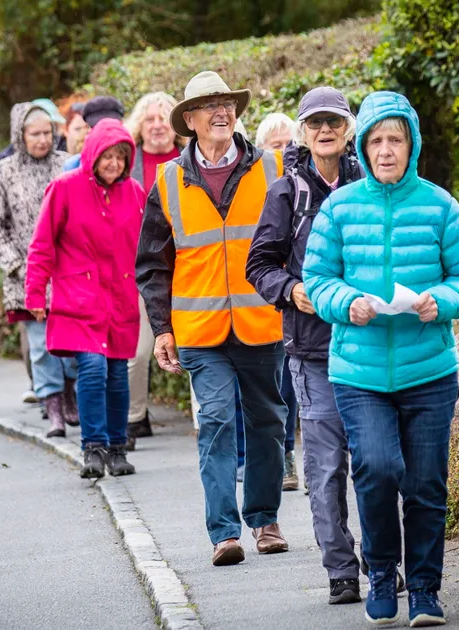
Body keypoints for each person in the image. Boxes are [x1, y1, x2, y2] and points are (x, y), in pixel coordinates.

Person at [304, 91, 459, 626]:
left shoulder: (440, 206)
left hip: (428, 369)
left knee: (426, 483)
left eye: (395, 140)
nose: (386, 150)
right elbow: (317, 280)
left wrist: (441, 302)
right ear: (364, 145)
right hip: (358, 373)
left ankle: (425, 590)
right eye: (377, 140)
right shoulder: (338, 207)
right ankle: (382, 573)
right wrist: (347, 303)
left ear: (411, 145)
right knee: (378, 469)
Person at [137, 71, 288, 567]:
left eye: (227, 103)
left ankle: (264, 519)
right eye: (209, 106)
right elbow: (152, 264)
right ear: (191, 121)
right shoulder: (167, 182)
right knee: (218, 422)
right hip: (200, 332)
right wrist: (162, 328)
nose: (221, 112)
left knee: (268, 424)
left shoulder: (273, 169)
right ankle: (224, 533)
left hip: (262, 324)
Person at [247, 87, 366, 604]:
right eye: (315, 123)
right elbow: (260, 265)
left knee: (378, 464)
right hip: (312, 350)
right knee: (325, 468)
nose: (325, 131)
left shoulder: (371, 183)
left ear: (348, 130)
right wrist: (290, 291)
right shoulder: (285, 191)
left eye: (334, 122)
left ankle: (382, 561)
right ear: (302, 131)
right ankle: (341, 569)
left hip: (370, 345)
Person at [26, 119, 146, 479]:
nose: (113, 163)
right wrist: (35, 292)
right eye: (107, 156)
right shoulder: (64, 189)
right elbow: (42, 244)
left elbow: (150, 245)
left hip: (120, 298)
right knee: (92, 369)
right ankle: (93, 446)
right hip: (79, 298)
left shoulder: (136, 193)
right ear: (92, 155)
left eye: (120, 157)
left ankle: (117, 446)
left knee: (117, 374)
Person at [0, 101, 82, 437]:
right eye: (34, 133)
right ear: (19, 135)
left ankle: (71, 399)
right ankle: (51, 406)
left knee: (70, 344)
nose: (42, 139)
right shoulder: (4, 171)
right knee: (41, 348)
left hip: (67, 273)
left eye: (47, 132)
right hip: (27, 278)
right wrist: (16, 264)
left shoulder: (67, 165)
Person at [122, 92, 187, 440]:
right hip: (145, 273)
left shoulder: (190, 159)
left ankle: (203, 419)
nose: (158, 125)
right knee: (139, 350)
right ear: (140, 127)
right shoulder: (127, 162)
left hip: (189, 269)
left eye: (164, 118)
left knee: (200, 348)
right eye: (150, 119)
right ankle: (135, 416)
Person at [253, 112, 303, 493]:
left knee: (291, 382)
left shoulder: (305, 184)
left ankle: (293, 454)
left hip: (295, 301)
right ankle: (276, 456)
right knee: (273, 388)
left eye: (290, 143)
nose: (285, 151)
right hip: (263, 299)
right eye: (276, 146)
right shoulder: (259, 186)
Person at [0, 98, 66, 163]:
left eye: (47, 132)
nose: (43, 140)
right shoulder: (5, 161)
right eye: (35, 134)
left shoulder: (64, 158)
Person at [63, 97, 125, 172]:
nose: (104, 134)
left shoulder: (131, 160)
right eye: (96, 128)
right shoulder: (73, 165)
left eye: (111, 128)